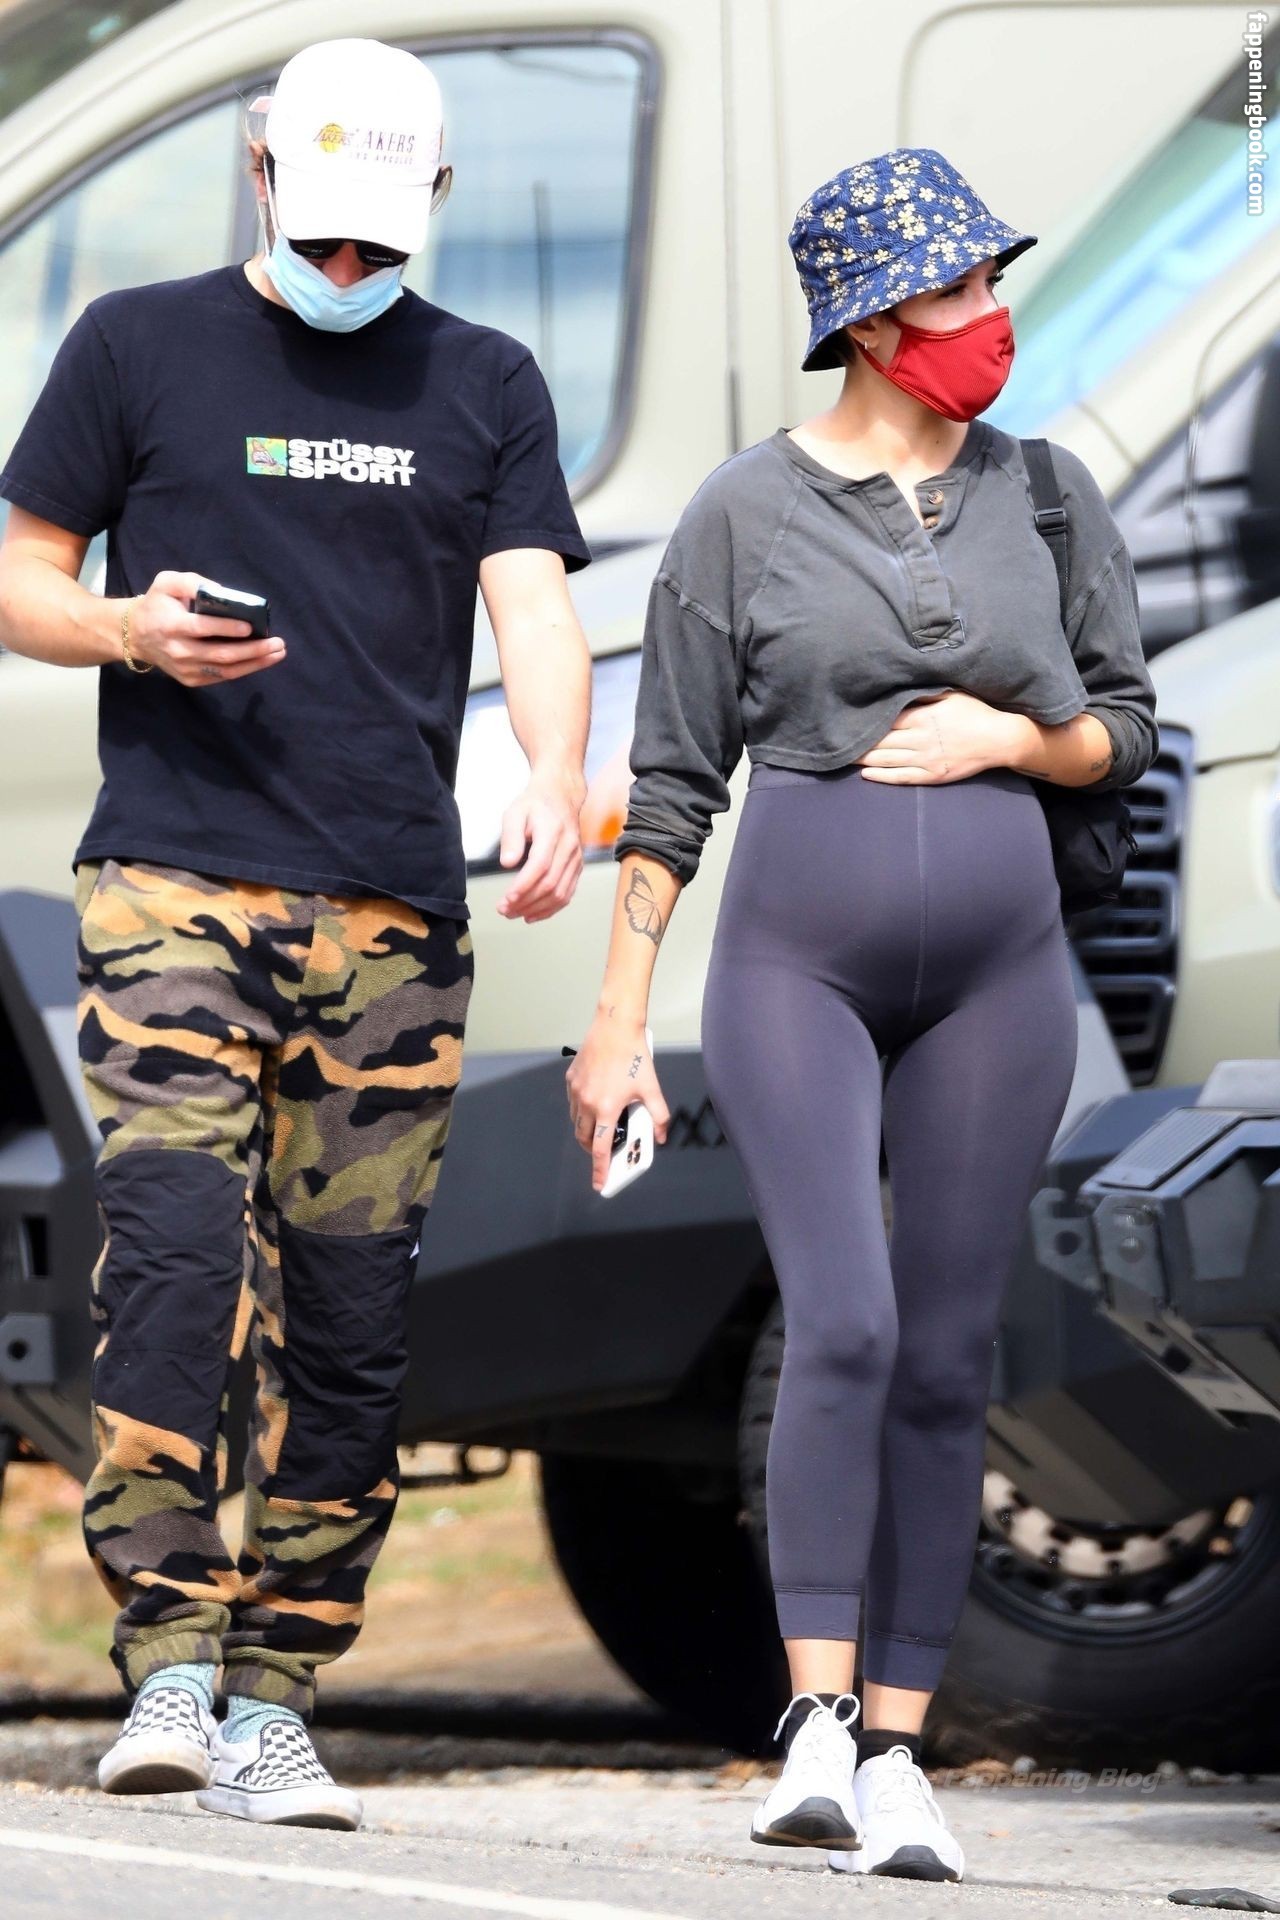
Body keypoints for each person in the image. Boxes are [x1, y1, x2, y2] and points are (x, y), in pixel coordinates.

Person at [0, 37, 591, 1829]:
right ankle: (170, 1662)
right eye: (319, 231)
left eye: (377, 240)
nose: (345, 266)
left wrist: (556, 771)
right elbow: (21, 575)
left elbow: (535, 608)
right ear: (261, 172)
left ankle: (277, 1692)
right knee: (179, 1260)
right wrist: (128, 630)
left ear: (434, 203)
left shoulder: (486, 379)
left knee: (350, 1316)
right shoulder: (135, 342)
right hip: (176, 878)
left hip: (393, 913)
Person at [565, 146, 1157, 1882]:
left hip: (1002, 976)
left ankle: (902, 1749)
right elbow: (672, 781)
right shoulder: (741, 512)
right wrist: (616, 1023)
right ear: (876, 321)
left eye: (991, 282)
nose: (992, 316)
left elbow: (1124, 726)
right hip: (793, 969)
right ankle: (813, 1725)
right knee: (843, 1323)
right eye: (960, 289)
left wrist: (1018, 738)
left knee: (955, 1352)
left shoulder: (1051, 494)